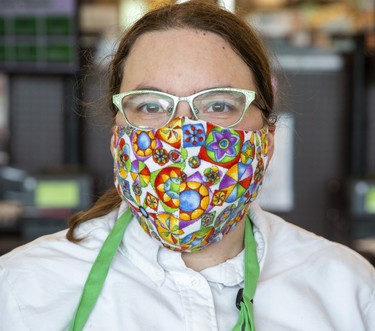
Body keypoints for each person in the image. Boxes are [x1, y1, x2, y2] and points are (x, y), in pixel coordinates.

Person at [0, 1, 374, 330]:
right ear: (117, 138)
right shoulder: (24, 290)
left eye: (219, 105)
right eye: (150, 105)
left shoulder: (347, 290)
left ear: (268, 139)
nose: (183, 136)